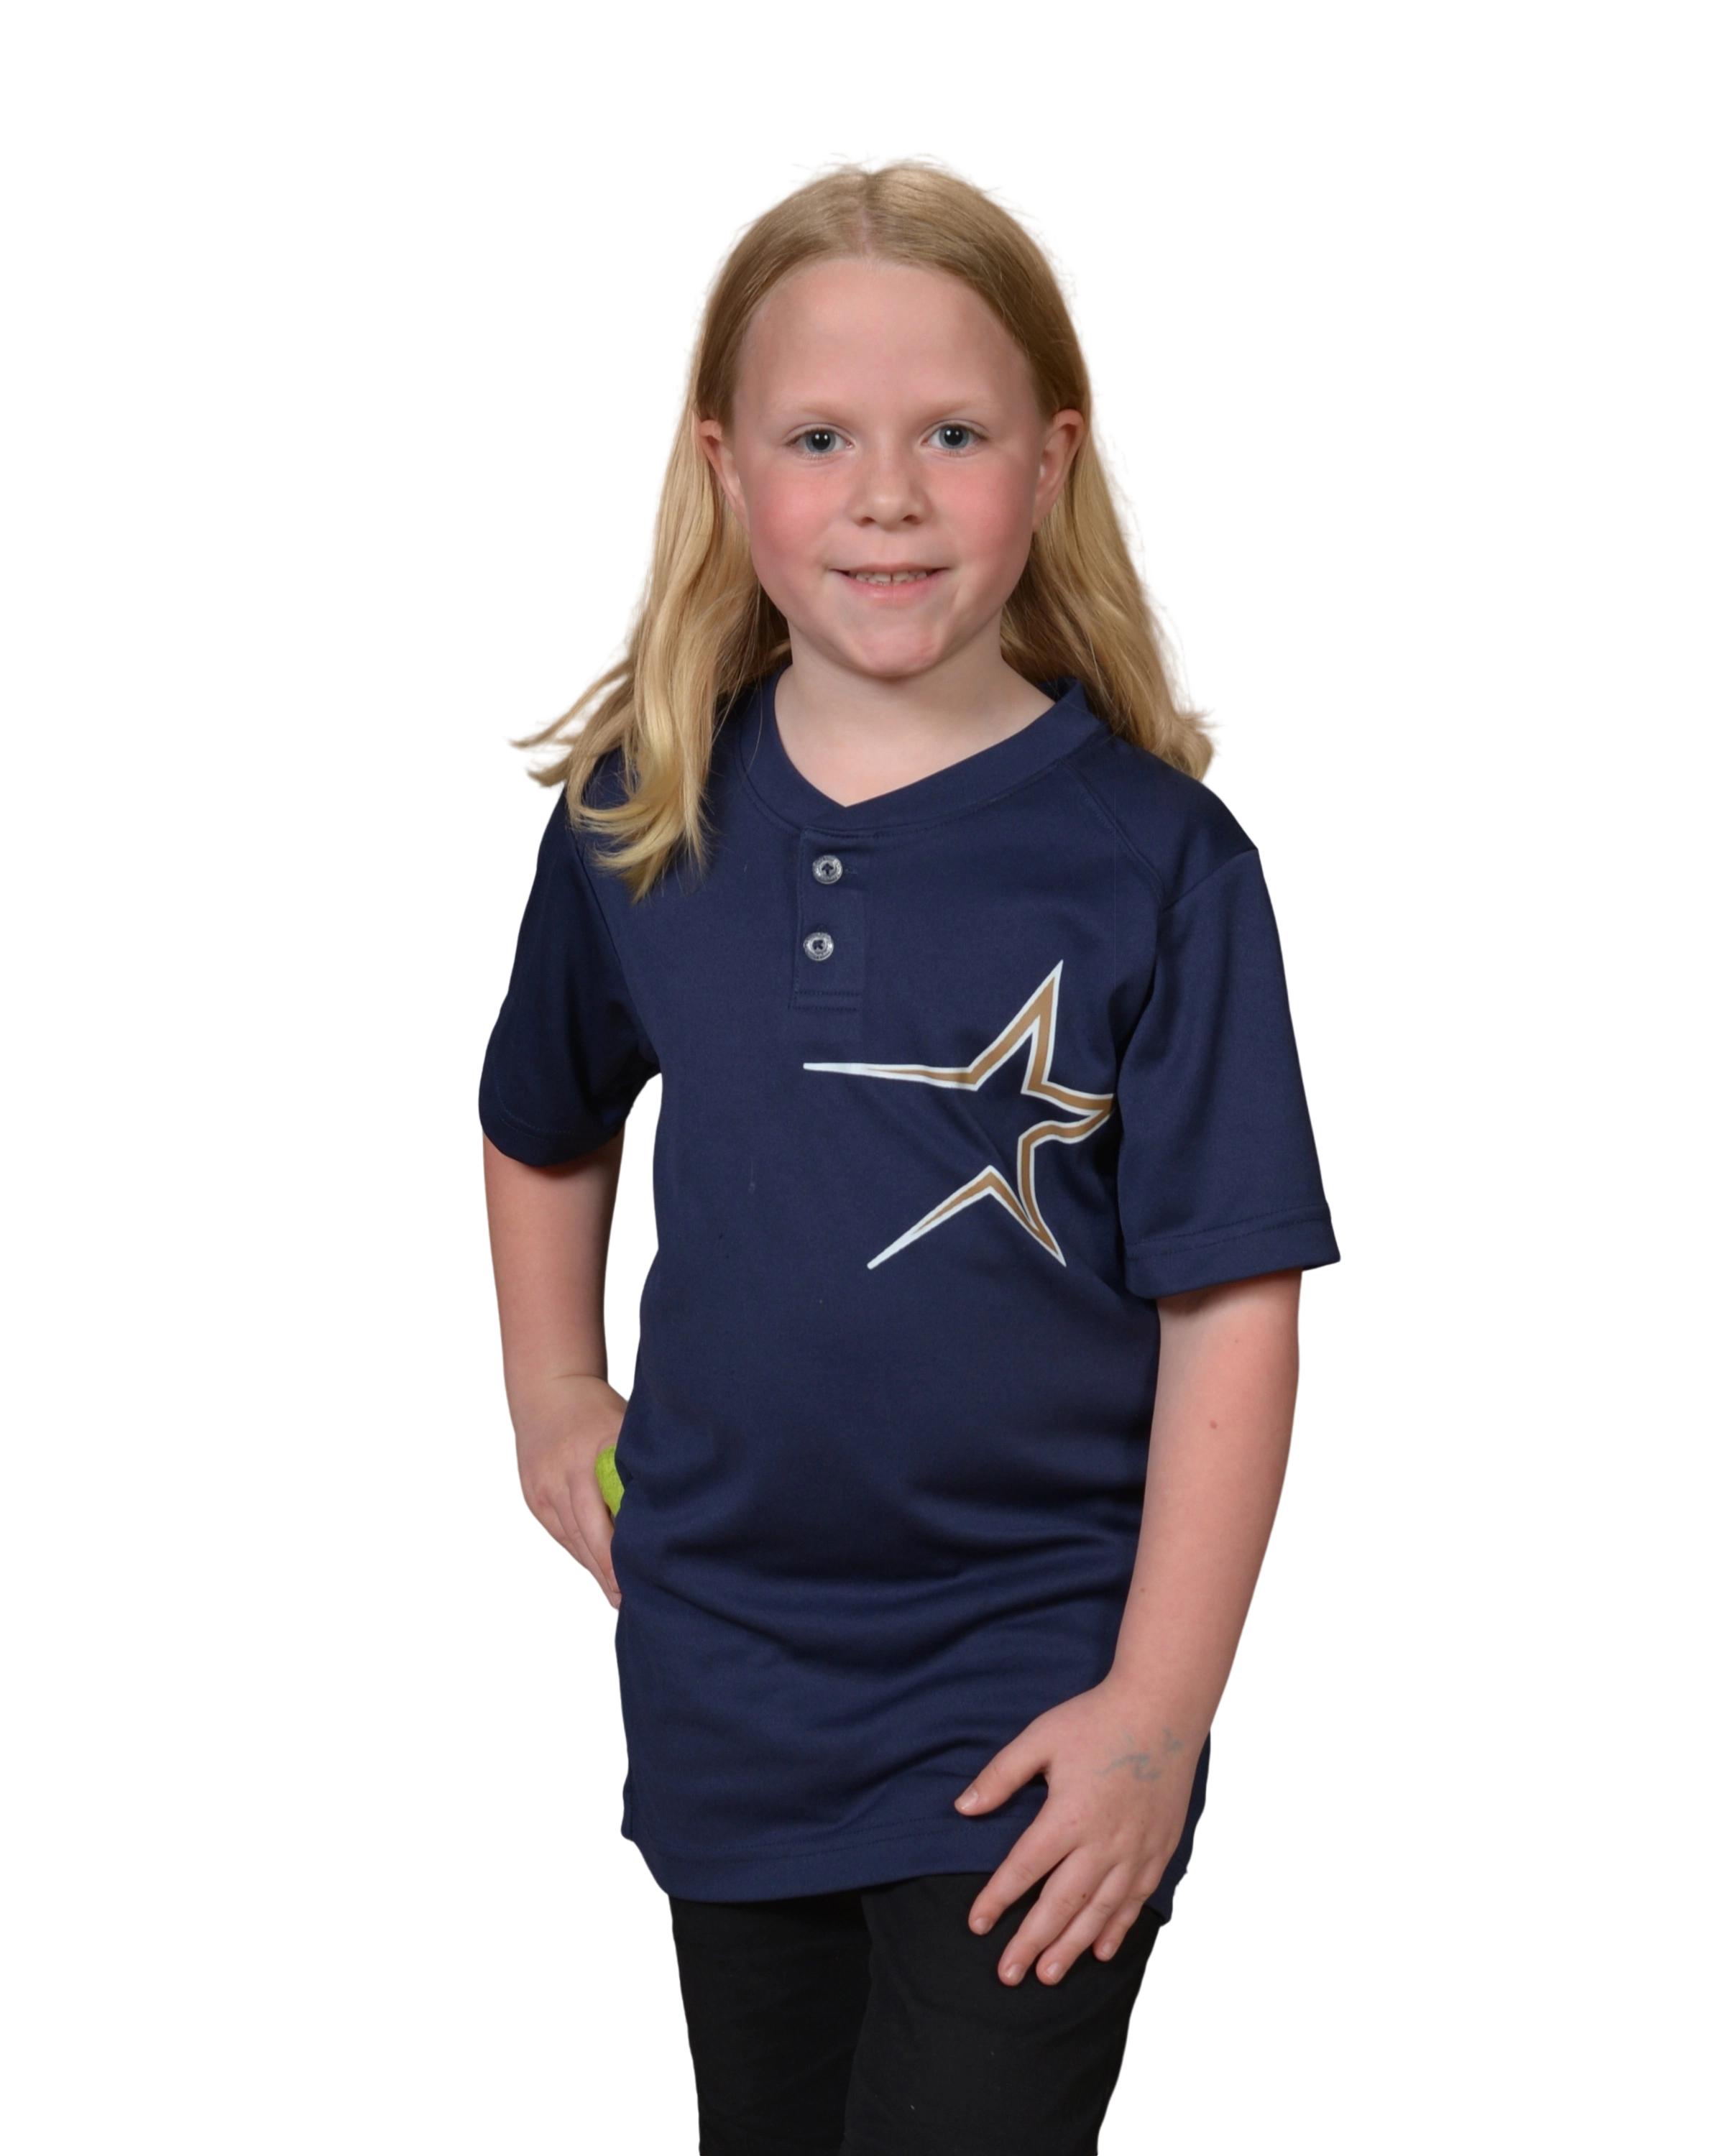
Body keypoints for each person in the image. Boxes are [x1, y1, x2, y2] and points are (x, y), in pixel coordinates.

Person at [476, 147, 1340, 2156]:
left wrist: (1155, 1723)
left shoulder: (1163, 866)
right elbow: (539, 1123)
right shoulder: (635, 820)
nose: (887, 495)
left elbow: (1234, 1307)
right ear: (723, 468)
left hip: (1037, 1692)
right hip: (725, 1675)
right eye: (821, 437)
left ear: (1054, 459)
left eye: (951, 431)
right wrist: (550, 1393)